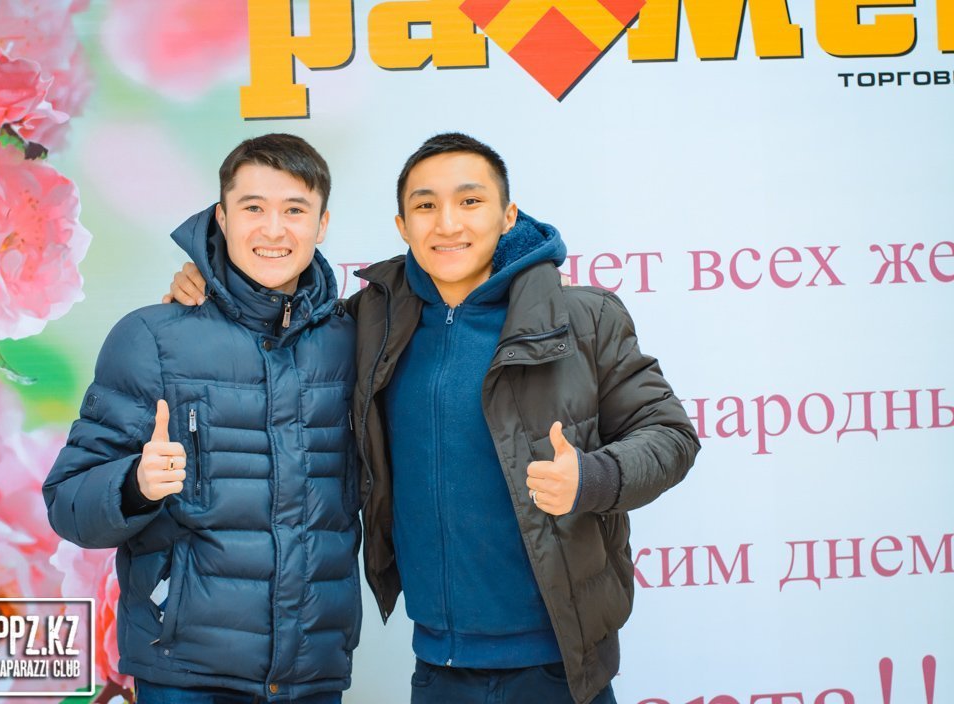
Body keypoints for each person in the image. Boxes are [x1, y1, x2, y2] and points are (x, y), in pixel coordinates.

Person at [168, 133, 700, 704]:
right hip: (438, 665)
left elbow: (670, 435)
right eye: (425, 205)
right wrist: (208, 280)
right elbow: (278, 317)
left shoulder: (581, 316)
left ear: (508, 215)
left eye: (470, 201)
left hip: (559, 665)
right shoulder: (369, 319)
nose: (447, 223)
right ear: (402, 224)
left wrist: (592, 478)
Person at [43, 134, 361, 704]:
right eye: (253, 207)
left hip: (312, 670)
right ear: (222, 217)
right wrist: (135, 485)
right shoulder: (151, 337)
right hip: (186, 672)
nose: (273, 229)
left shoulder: (353, 339)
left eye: (294, 210)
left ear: (322, 224)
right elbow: (68, 503)